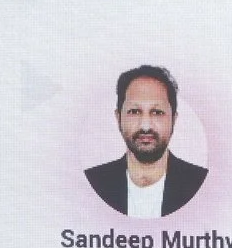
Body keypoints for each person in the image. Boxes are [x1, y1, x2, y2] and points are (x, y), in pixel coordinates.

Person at [83, 65, 207, 217]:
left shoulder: (202, 185)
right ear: (118, 118)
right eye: (134, 112)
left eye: (157, 112)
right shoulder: (92, 185)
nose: (146, 126)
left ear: (173, 120)